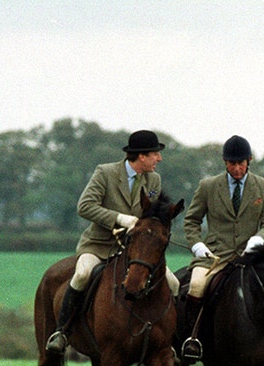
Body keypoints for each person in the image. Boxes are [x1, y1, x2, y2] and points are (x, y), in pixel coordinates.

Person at [46, 129, 175, 352]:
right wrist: (119, 218)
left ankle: (171, 341)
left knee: (172, 283)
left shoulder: (154, 179)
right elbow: (85, 206)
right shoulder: (105, 173)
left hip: (134, 251)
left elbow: (151, 214)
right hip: (98, 246)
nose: (159, 159)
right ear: (142, 156)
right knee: (82, 274)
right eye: (155, 154)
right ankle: (62, 331)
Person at [180, 135, 264, 362]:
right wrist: (197, 245)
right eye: (232, 163)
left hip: (251, 255)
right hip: (214, 255)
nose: (236, 168)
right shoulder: (208, 186)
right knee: (195, 285)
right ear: (225, 162)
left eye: (241, 163)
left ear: (249, 160)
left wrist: (259, 239)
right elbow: (191, 220)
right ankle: (192, 339)